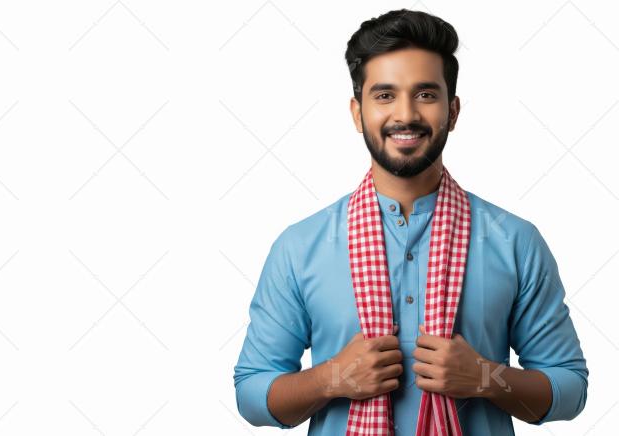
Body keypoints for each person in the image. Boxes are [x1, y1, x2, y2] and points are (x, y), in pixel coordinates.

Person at [232, 9, 588, 435]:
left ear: (453, 111)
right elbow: (252, 393)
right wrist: (330, 379)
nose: (406, 114)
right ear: (357, 113)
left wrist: (486, 378)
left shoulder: (515, 241)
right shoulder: (300, 246)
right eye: (384, 95)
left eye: (425, 94)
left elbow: (570, 387)